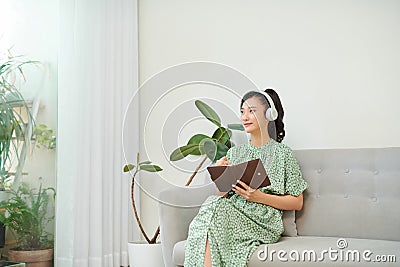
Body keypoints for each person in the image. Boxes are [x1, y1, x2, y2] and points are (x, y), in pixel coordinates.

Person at [184, 89, 308, 267]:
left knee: (213, 215)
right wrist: (221, 174)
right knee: (210, 212)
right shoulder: (235, 152)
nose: (245, 117)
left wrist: (258, 197)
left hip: (264, 219)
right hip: (230, 212)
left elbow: (297, 202)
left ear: (268, 115)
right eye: (242, 111)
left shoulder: (283, 154)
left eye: (252, 111)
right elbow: (222, 195)